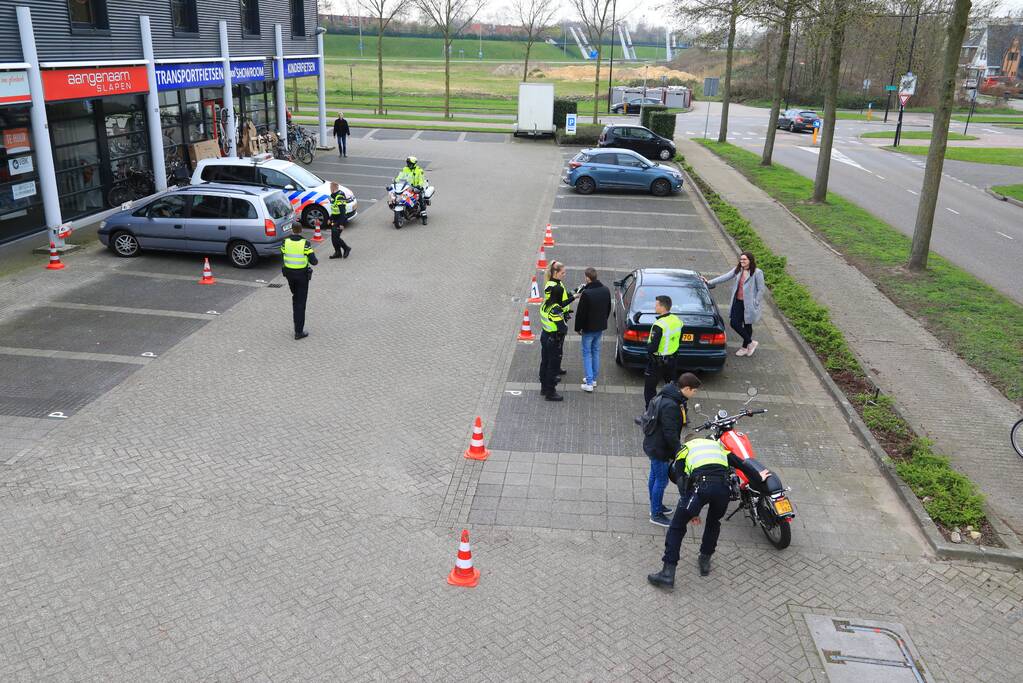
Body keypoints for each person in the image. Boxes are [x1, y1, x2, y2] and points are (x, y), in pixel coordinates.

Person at [647, 433, 733, 588]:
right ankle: (705, 560)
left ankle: (667, 574)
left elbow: (680, 480)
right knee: (714, 523)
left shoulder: (685, 449)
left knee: (677, 527)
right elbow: (742, 463)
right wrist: (760, 475)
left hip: (702, 487)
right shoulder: (717, 447)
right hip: (723, 490)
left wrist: (692, 511)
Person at [642, 373, 702, 527]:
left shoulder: (670, 395)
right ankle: (656, 514)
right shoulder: (671, 405)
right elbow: (669, 432)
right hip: (660, 448)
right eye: (694, 391)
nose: (694, 394)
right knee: (661, 480)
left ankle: (655, 505)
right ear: (687, 388)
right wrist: (678, 451)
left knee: (655, 476)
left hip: (654, 444)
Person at [704, 251, 765, 357]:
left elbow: (761, 289)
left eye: (744, 259)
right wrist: (709, 282)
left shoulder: (757, 272)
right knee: (734, 323)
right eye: (741, 259)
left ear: (750, 260)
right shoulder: (738, 270)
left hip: (749, 304)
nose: (742, 261)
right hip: (738, 302)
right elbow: (725, 277)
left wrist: (755, 302)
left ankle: (744, 348)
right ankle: (751, 343)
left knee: (747, 324)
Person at [636, 295, 683, 422]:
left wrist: (647, 345)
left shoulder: (659, 325)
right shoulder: (677, 320)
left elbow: (652, 347)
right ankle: (680, 414)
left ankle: (650, 415)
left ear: (662, 307)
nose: (654, 306)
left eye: (656, 304)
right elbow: (677, 338)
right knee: (672, 387)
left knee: (650, 389)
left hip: (657, 363)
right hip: (672, 360)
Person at [538, 261, 576, 402]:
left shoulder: (546, 304)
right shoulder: (555, 310)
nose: (564, 275)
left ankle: (543, 388)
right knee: (552, 366)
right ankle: (550, 392)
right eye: (562, 272)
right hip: (554, 339)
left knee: (545, 362)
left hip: (545, 335)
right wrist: (564, 322)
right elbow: (562, 327)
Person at [573, 267, 611, 392]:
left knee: (587, 354)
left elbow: (580, 314)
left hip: (588, 329)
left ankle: (589, 383)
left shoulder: (586, 293)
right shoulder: (606, 290)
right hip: (599, 328)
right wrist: (603, 321)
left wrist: (578, 328)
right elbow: (608, 308)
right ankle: (593, 379)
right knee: (595, 352)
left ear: (587, 278)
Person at [280, 222, 318, 340]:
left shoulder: (285, 242)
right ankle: (299, 332)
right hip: (302, 276)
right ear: (301, 230)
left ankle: (295, 306)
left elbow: (282, 255)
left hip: (289, 275)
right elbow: (314, 261)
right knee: (300, 304)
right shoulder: (305, 243)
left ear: (292, 230)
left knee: (295, 297)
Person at [394, 156, 428, 224]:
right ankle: (400, 214)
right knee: (400, 197)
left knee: (420, 198)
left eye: (410, 163)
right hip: (408, 187)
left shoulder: (419, 170)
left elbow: (421, 180)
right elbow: (400, 176)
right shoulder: (405, 169)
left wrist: (419, 186)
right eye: (408, 163)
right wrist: (395, 181)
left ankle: (424, 217)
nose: (408, 164)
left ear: (414, 164)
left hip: (417, 187)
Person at [326, 182, 352, 260]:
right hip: (335, 219)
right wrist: (330, 218)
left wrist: (341, 224)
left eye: (330, 187)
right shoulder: (333, 195)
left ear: (333, 188)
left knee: (336, 237)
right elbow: (334, 209)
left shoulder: (340, 197)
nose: (330, 189)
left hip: (340, 219)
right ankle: (338, 252)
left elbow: (342, 212)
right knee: (334, 237)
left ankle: (346, 248)